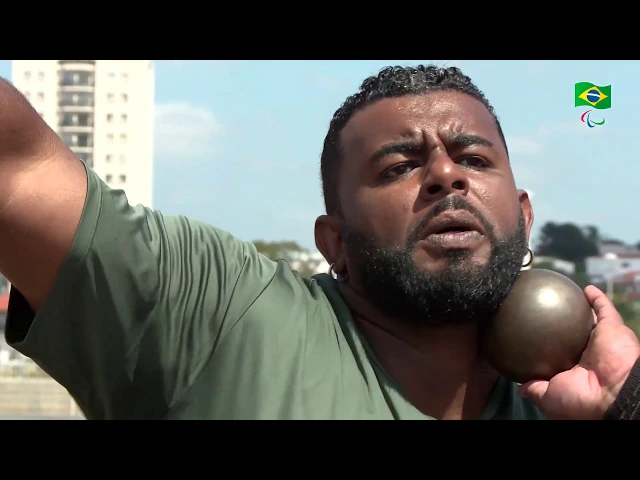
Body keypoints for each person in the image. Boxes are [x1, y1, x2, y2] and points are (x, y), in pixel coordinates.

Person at [0, 64, 639, 420]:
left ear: (524, 216)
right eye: (398, 167)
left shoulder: (577, 401)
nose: (446, 175)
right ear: (334, 242)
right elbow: (16, 169)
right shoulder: (221, 319)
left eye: (473, 158)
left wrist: (626, 400)